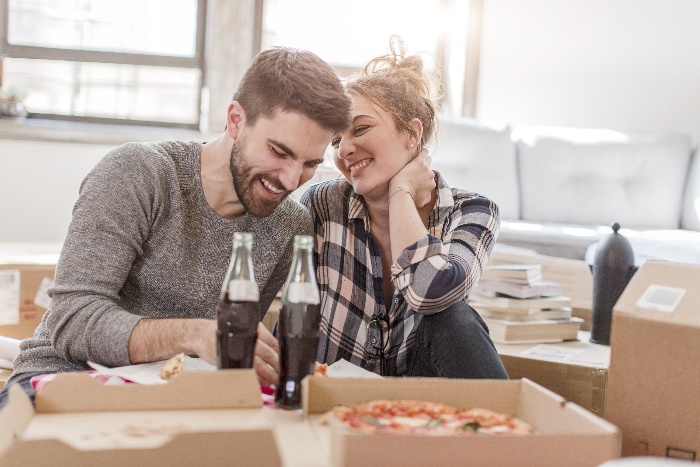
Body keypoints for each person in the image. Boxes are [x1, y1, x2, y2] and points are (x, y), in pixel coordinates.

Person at [0, 47, 352, 409]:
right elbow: (72, 322)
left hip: (173, 397)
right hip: (60, 381)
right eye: (279, 152)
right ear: (235, 120)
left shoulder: (290, 225)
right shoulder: (139, 173)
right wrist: (193, 334)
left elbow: (231, 351)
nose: (292, 180)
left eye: (309, 163)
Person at [301, 37, 508, 378]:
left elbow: (430, 293)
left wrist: (401, 193)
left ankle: (500, 432)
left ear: (412, 134)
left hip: (418, 410)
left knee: (453, 317)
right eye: (336, 141)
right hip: (335, 401)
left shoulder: (473, 211)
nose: (344, 150)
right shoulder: (323, 205)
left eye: (361, 129)